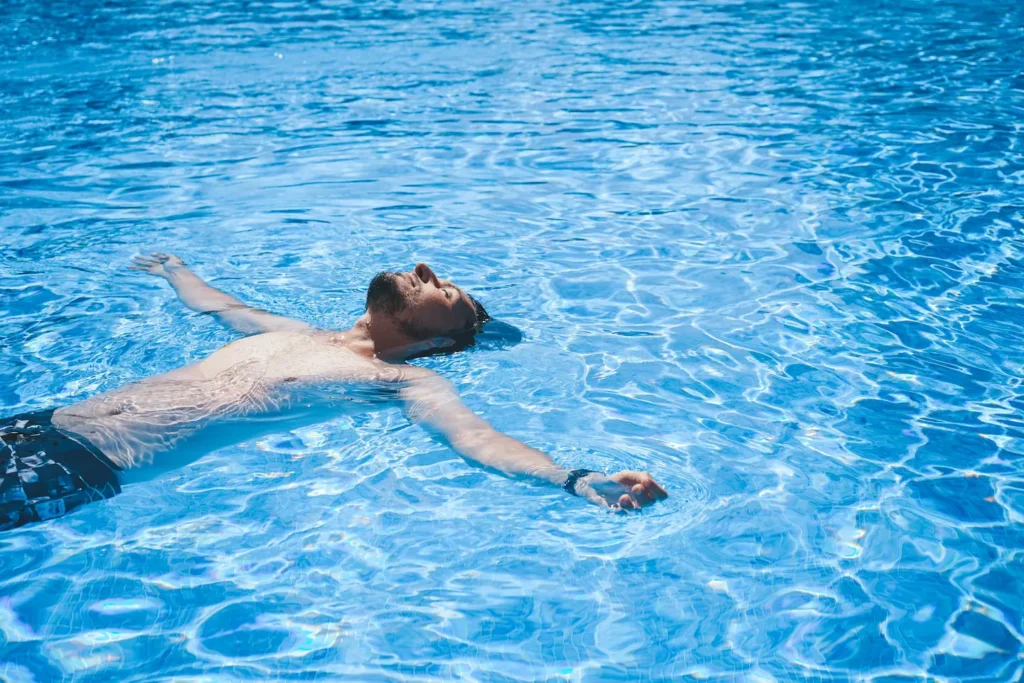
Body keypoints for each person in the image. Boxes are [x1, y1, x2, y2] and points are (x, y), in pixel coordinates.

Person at [1, 254, 667, 530]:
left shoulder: (402, 379)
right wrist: (177, 270)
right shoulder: (299, 331)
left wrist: (577, 479)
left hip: (77, 467)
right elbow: (220, 307)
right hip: (37, 423)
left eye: (448, 291)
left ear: (442, 340)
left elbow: (479, 441)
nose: (425, 270)